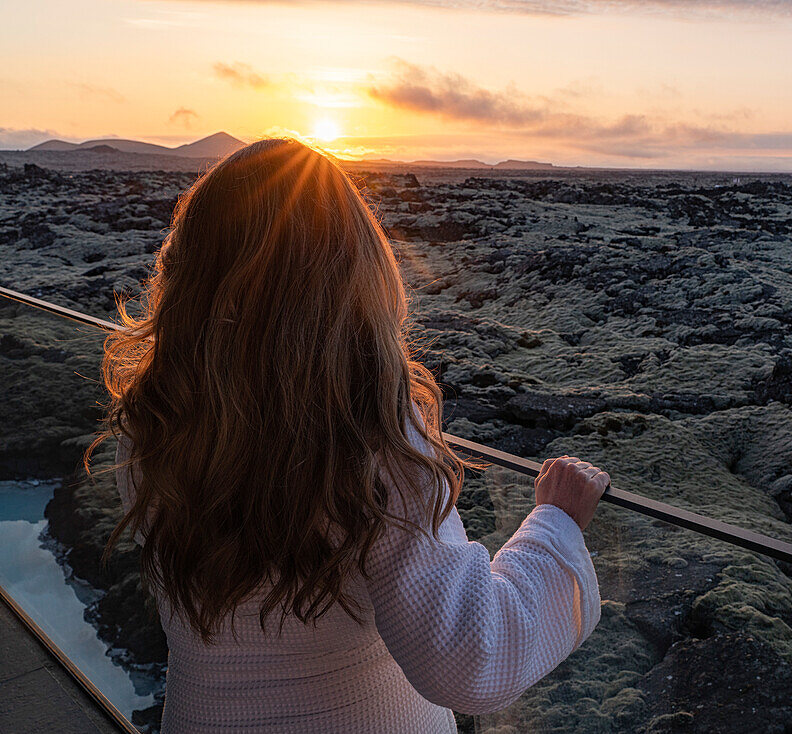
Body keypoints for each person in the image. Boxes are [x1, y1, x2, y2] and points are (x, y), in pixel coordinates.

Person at [94, 138, 609, 733]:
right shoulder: (366, 435)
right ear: (353, 270)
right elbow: (471, 661)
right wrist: (554, 527)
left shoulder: (155, 419)